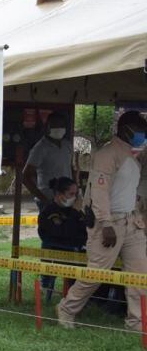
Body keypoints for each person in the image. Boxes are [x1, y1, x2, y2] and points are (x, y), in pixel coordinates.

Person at [58, 111, 147, 330]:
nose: (142, 135)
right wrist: (106, 224)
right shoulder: (107, 154)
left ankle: (136, 322)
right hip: (109, 223)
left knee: (139, 276)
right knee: (96, 274)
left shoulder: (132, 154)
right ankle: (67, 308)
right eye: (139, 130)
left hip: (131, 222)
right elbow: (99, 192)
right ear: (125, 129)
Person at [37, 176, 90, 298]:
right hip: (58, 251)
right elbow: (63, 233)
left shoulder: (75, 210)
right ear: (59, 195)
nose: (75, 198)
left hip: (80, 251)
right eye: (71, 194)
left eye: (76, 194)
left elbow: (85, 231)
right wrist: (75, 213)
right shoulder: (49, 212)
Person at [23, 113, 74, 211]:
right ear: (47, 127)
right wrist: (45, 200)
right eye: (54, 125)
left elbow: (70, 168)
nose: (58, 128)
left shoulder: (67, 146)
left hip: (67, 200)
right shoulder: (40, 148)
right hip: (49, 200)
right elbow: (25, 177)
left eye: (61, 125)